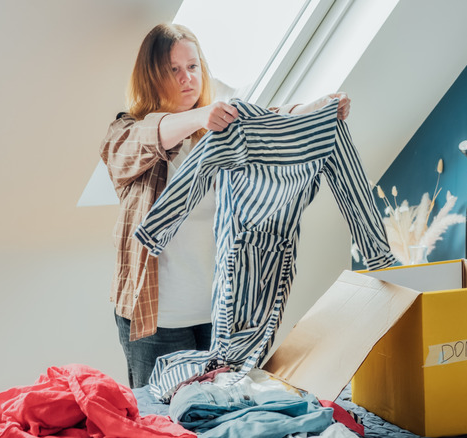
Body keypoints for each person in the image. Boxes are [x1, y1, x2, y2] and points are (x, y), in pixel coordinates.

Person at [100, 23, 352, 389]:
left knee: (223, 412)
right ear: (152, 77)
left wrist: (315, 109)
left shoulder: (221, 134)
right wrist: (201, 117)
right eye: (174, 70)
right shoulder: (126, 131)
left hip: (223, 317)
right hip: (156, 321)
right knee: (161, 420)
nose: (187, 78)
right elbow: (142, 139)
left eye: (193, 66)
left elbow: (269, 119)